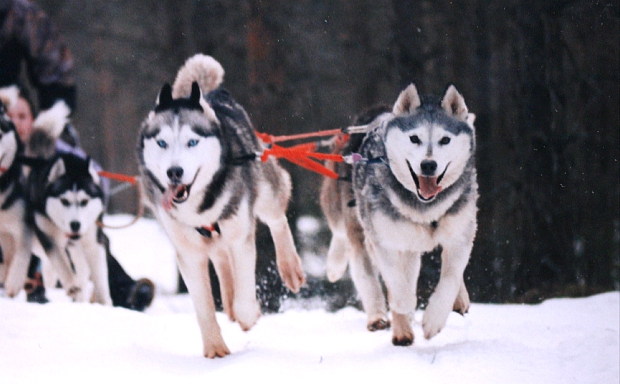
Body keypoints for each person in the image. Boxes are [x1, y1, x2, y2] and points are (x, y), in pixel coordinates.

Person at [0, 0, 154, 310]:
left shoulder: (16, 15)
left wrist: (51, 116)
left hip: (17, 132)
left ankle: (119, 288)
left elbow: (54, 67)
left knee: (70, 219)